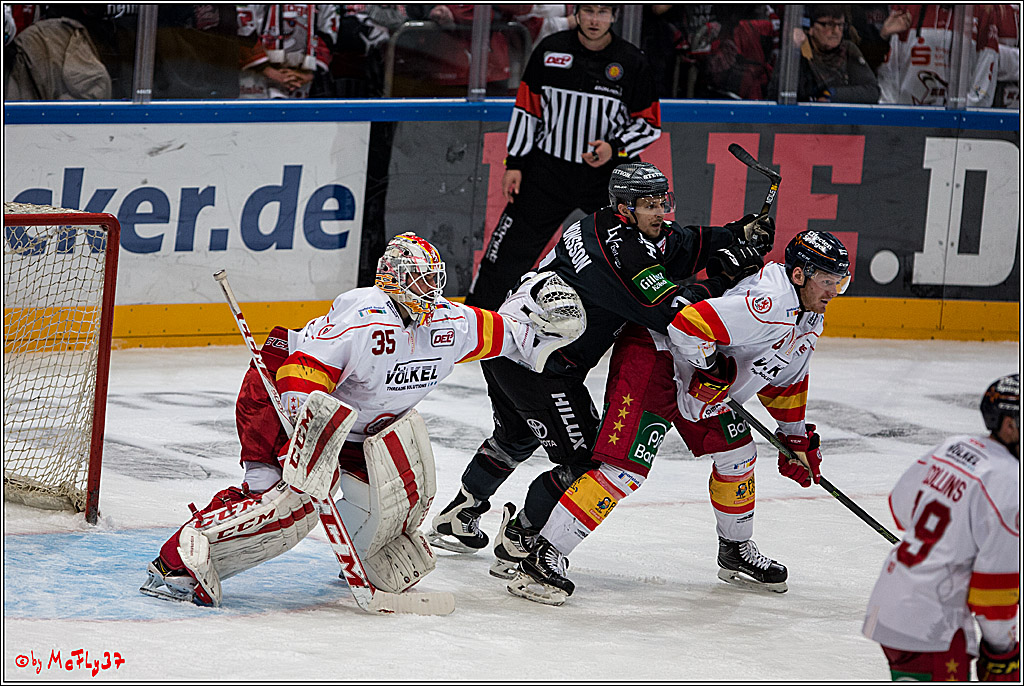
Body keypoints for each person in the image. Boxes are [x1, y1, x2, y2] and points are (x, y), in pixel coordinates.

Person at [140, 233, 584, 606]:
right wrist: (305, 430)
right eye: (418, 279)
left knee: (402, 496)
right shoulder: (363, 319)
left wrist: (544, 322)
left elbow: (508, 332)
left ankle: (364, 554)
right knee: (284, 502)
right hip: (282, 400)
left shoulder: (450, 323)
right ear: (392, 278)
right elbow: (300, 371)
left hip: (356, 423)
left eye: (433, 279)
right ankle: (177, 563)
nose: (429, 290)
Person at [428, 161, 773, 604]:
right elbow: (674, 315)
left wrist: (737, 233)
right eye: (650, 204)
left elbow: (681, 244)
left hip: (510, 351)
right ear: (624, 208)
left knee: (515, 436)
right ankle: (521, 537)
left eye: (663, 201)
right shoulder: (619, 256)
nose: (661, 211)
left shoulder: (609, 226)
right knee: (588, 464)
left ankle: (461, 512)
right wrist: (724, 278)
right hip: (542, 369)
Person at [465, 4, 662, 311]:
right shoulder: (550, 50)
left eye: (602, 12)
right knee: (507, 252)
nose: (594, 20)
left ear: (614, 16)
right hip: (547, 172)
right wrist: (515, 163)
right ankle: (479, 315)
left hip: (607, 179)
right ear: (577, 13)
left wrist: (614, 147)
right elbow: (527, 110)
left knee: (632, 250)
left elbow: (649, 123)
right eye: (588, 11)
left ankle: (649, 317)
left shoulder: (631, 61)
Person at [862, 374, 1019, 682]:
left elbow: (900, 505)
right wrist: (1003, 651)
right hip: (932, 625)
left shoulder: (955, 445)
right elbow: (992, 593)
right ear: (1009, 425)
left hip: (890, 600)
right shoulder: (1011, 482)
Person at [877, 4, 1001, 107]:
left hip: (959, 122)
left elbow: (985, 70)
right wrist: (891, 113)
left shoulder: (983, 10)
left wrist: (967, 116)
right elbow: (889, 70)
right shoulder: (906, 7)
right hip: (907, 119)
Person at [767, 5, 880, 103]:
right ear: (810, 28)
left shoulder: (848, 49)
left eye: (840, 25)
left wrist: (833, 94)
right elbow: (777, 94)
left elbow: (872, 91)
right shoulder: (800, 50)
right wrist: (793, 51)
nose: (836, 31)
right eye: (829, 24)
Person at [236, 4, 339, 99]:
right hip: (256, 78)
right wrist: (267, 70)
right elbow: (243, 29)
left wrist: (309, 74)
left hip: (302, 80)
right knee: (256, 112)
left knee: (299, 113)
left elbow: (328, 35)